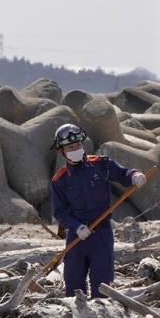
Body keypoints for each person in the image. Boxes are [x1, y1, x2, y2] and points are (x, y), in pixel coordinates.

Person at [50, 123, 146, 298]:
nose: (76, 148)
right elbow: (60, 212)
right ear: (61, 151)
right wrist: (77, 226)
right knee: (73, 287)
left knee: (103, 288)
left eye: (78, 144)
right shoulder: (60, 180)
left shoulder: (101, 164)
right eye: (71, 147)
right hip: (77, 236)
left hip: (101, 234)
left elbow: (123, 174)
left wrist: (134, 176)